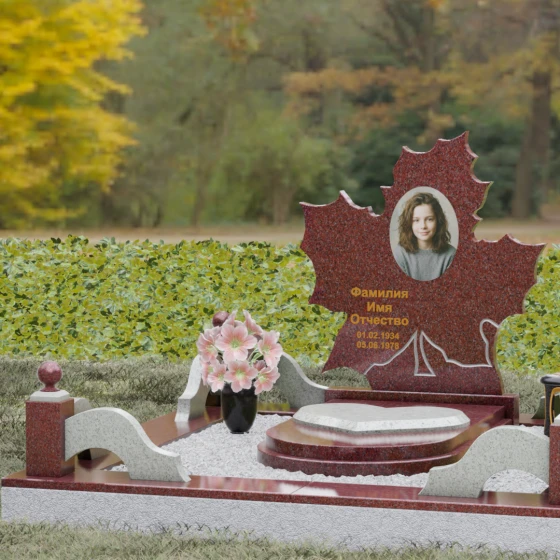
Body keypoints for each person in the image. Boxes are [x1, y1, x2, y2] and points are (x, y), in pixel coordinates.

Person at [393, 192, 456, 281]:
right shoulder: (400, 253)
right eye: (416, 220)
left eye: (429, 219)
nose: (423, 226)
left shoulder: (451, 255)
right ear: (409, 223)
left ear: (438, 221)